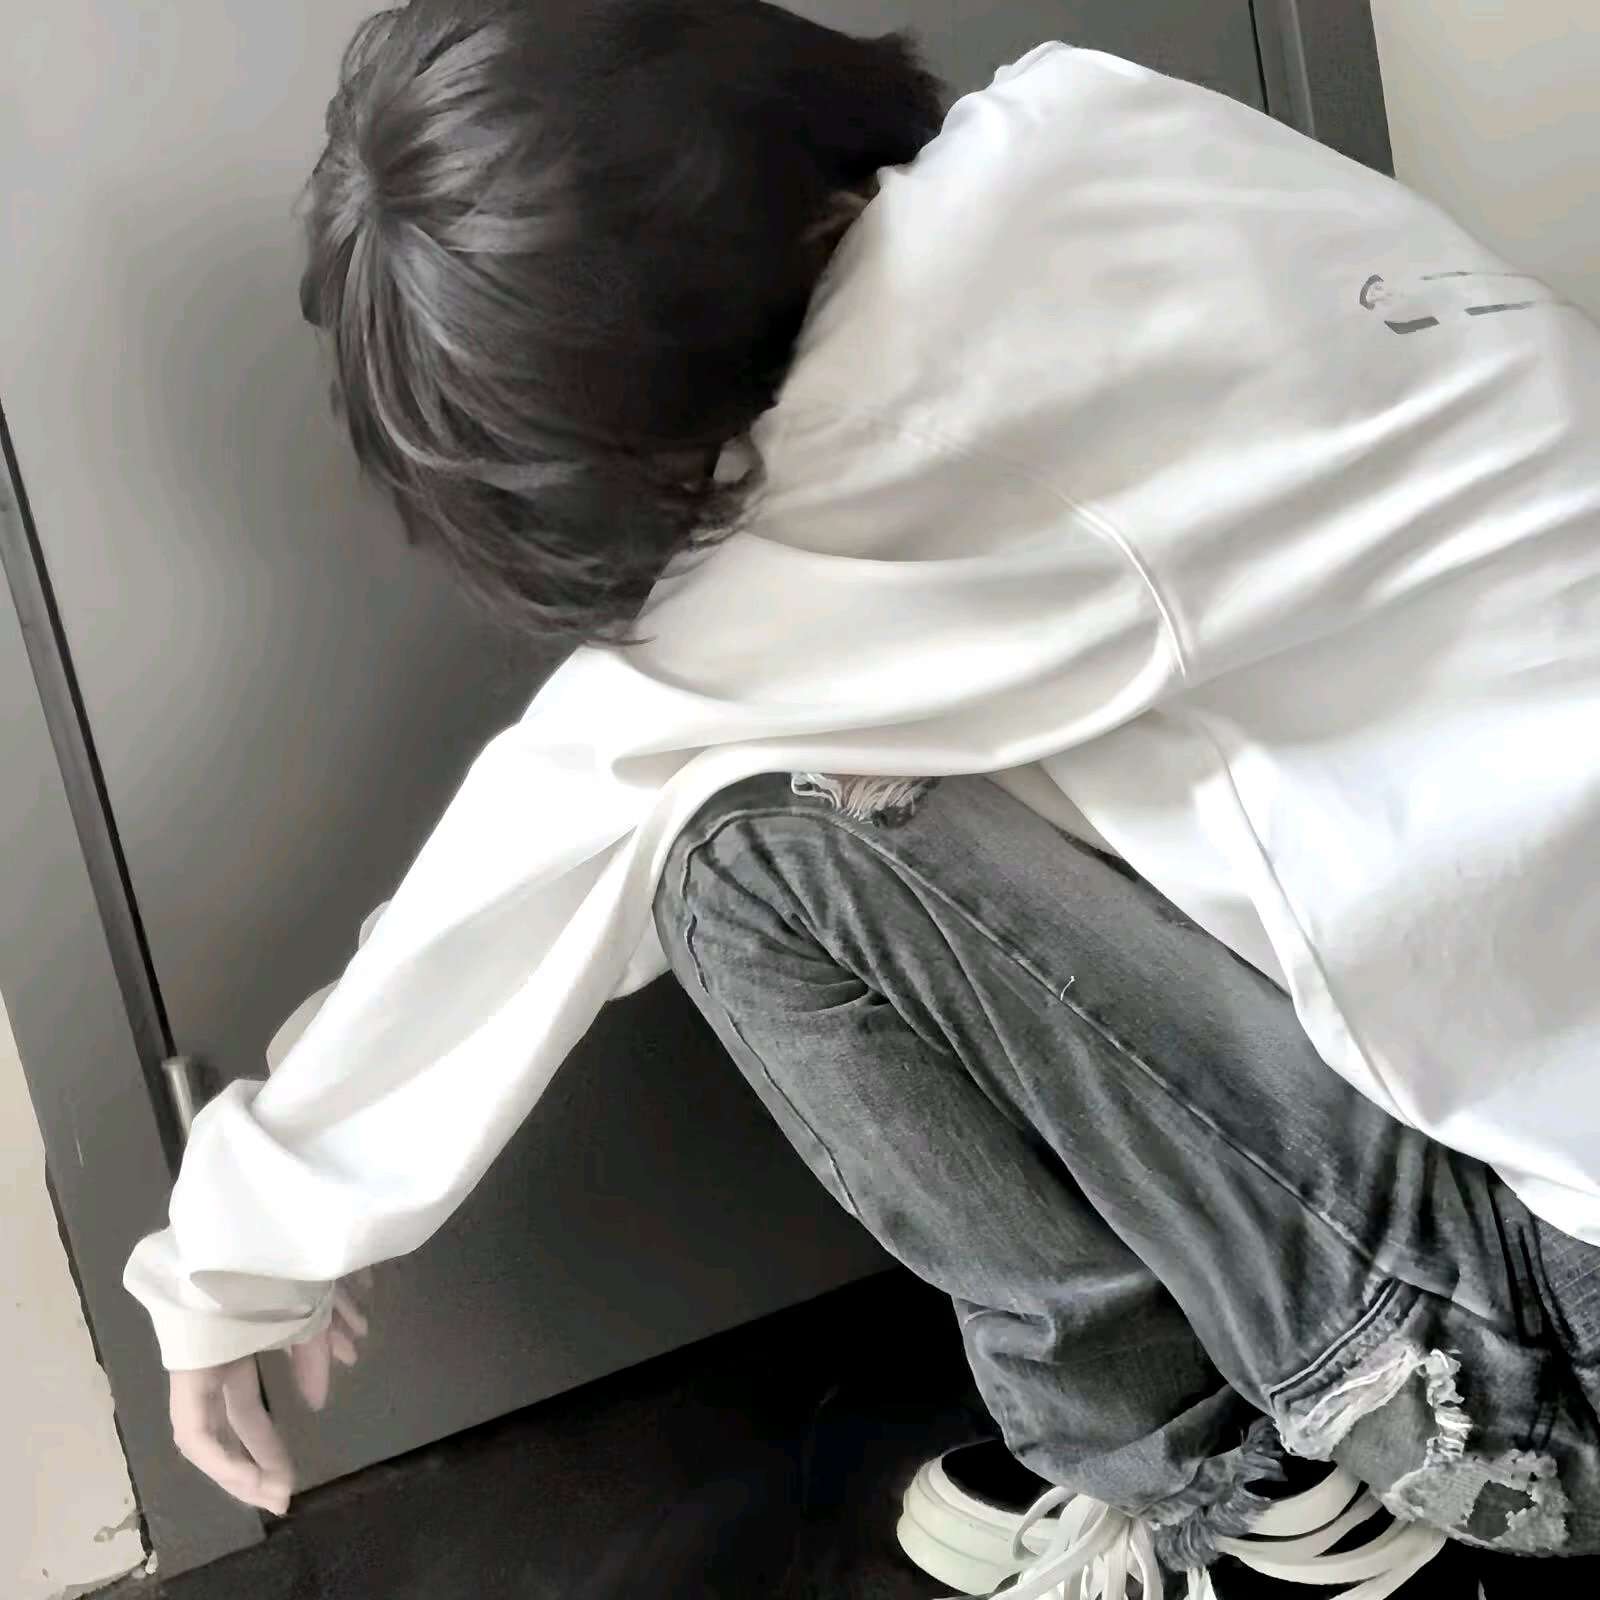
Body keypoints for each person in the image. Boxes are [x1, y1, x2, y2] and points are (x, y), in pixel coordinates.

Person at [125, 3, 1600, 1594]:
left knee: (740, 851)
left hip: (1561, 1364)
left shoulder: (874, 448)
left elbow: (551, 848)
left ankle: (1240, 1510)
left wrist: (233, 1266)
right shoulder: (1098, 126)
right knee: (924, 756)